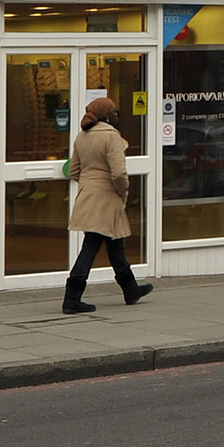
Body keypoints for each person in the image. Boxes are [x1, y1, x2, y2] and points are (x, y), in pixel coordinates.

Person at [62, 96, 153, 313]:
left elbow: (74, 171)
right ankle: (72, 297)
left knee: (115, 245)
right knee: (91, 246)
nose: (117, 116)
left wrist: (90, 184)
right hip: (108, 197)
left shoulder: (82, 136)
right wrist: (123, 191)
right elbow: (119, 172)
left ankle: (130, 289)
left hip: (89, 195)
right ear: (106, 116)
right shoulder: (111, 136)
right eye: (114, 112)